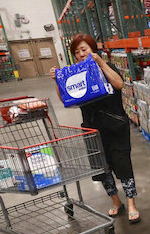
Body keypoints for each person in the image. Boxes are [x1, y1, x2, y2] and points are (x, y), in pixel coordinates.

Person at [50, 34, 140, 224]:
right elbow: (66, 99)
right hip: (92, 128)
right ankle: (116, 201)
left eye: (84, 50)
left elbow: (118, 84)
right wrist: (58, 81)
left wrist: (100, 63)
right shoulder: (74, 74)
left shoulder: (106, 66)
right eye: (77, 52)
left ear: (93, 49)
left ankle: (131, 203)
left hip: (115, 125)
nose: (81, 55)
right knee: (102, 167)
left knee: (122, 163)